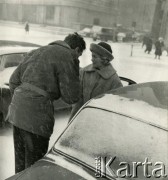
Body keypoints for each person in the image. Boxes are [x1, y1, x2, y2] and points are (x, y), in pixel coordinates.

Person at [8, 33, 86, 173]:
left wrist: (24, 100)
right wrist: (75, 68)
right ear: (77, 49)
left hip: (17, 113)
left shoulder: (37, 51)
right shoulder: (67, 56)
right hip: (37, 118)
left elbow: (13, 81)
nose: (77, 58)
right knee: (35, 168)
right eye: (78, 55)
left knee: (20, 167)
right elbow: (71, 96)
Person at [69, 42, 123, 121]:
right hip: (82, 120)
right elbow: (78, 102)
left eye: (94, 56)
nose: (91, 59)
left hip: (100, 123)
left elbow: (115, 111)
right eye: (92, 56)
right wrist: (72, 122)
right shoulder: (84, 72)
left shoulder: (114, 81)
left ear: (104, 60)